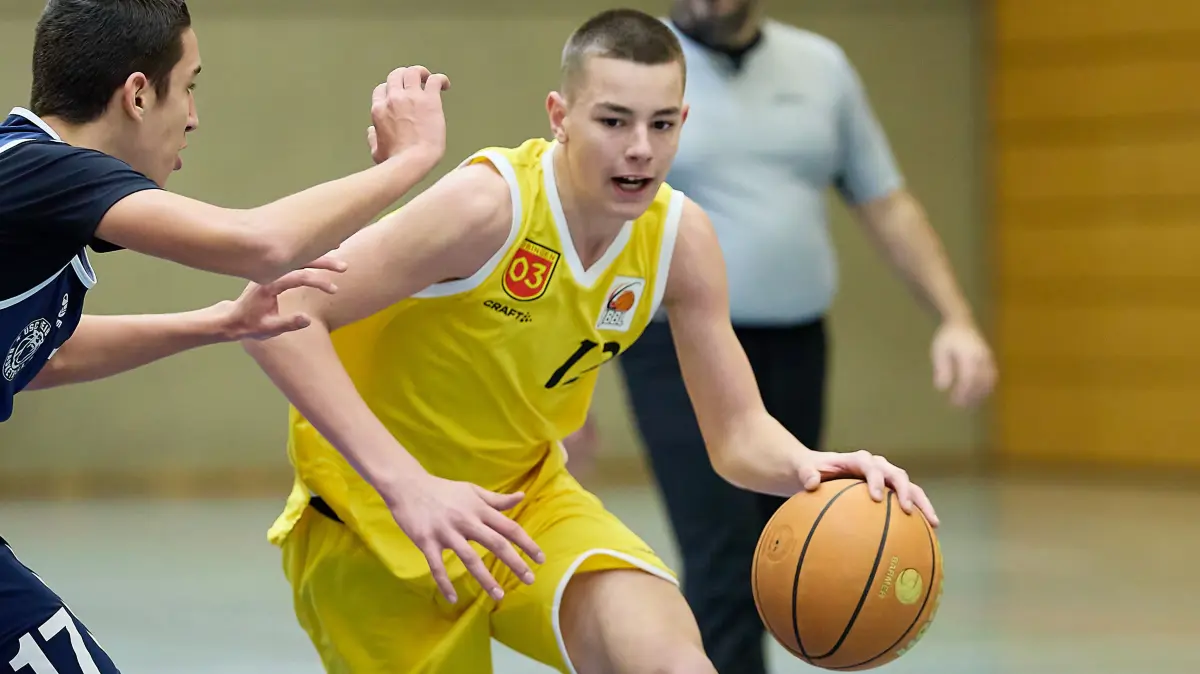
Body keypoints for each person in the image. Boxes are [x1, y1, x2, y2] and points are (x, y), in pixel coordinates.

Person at [241, 8, 941, 674]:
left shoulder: (679, 238)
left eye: (662, 124)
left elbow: (738, 434)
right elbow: (278, 316)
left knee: (675, 660)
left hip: (525, 506)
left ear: (682, 124)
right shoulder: (488, 207)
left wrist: (811, 467)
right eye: (614, 121)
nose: (640, 148)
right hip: (374, 524)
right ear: (560, 116)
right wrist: (409, 486)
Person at [1, 0, 449, 670]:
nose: (194, 115)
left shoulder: (39, 195)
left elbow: (41, 357)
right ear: (138, 93)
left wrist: (219, 322)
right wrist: (411, 160)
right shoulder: (35, 171)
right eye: (190, 85)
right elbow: (263, 243)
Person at [563, 1, 997, 672]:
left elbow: (885, 201)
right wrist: (569, 386)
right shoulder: (638, 71)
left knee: (790, 546)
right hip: (672, 347)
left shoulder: (822, 68)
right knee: (722, 558)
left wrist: (956, 318)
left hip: (796, 344)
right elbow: (587, 227)